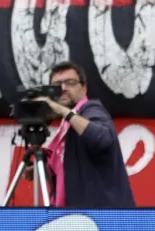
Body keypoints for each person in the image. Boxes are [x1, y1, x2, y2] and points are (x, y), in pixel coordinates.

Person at [33, 62, 135, 208]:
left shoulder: (91, 109)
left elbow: (103, 139)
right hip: (74, 217)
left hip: (102, 218)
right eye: (57, 85)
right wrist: (41, 169)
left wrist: (62, 110)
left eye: (70, 83)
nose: (63, 89)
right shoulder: (66, 125)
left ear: (84, 87)